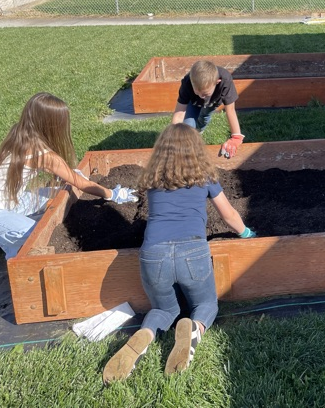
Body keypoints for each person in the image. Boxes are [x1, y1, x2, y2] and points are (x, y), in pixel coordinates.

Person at [102, 123, 256, 384]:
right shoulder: (205, 178)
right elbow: (228, 214)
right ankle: (194, 329)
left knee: (164, 309)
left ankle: (146, 333)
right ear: (196, 151)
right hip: (193, 252)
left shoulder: (153, 181)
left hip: (153, 254)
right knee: (205, 304)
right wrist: (247, 234)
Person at [0, 93, 138, 268]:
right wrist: (113, 194)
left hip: (10, 200)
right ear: (51, 124)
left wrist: (70, 174)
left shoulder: (20, 133)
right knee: (35, 234)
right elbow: (81, 184)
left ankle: (1, 229)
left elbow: (65, 175)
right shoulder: (43, 155)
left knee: (55, 200)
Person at [171, 60, 244, 159]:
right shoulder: (187, 82)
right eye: (197, 91)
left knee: (204, 116)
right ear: (192, 82)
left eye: (205, 93)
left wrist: (236, 137)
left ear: (217, 82)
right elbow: (179, 113)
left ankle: (200, 130)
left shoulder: (225, 80)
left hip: (213, 102)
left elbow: (230, 110)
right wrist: (174, 136)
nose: (201, 96)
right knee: (188, 126)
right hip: (193, 102)